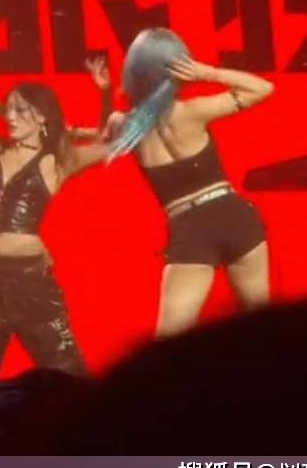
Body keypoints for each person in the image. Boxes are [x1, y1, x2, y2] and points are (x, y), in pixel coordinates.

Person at [0, 57, 111, 415]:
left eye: (22, 111)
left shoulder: (57, 161)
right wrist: (10, 107)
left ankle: (97, 437)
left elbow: (111, 142)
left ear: (43, 116)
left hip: (29, 281)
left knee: (65, 370)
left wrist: (104, 95)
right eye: (10, 110)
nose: (11, 118)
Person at [106, 28, 274, 337]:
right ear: (178, 69)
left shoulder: (124, 126)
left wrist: (105, 94)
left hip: (190, 229)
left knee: (170, 340)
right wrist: (207, 73)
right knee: (262, 329)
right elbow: (262, 88)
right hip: (233, 217)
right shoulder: (190, 113)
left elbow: (106, 139)